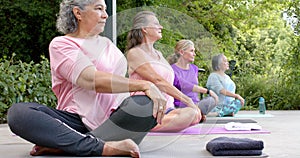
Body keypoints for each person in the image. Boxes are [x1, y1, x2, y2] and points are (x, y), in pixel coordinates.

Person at [7, 1, 167, 157]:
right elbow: (90, 80)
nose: (105, 15)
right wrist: (145, 85)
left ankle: (70, 146)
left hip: (114, 120)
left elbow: (119, 85)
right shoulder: (62, 44)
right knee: (18, 113)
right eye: (99, 9)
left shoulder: (108, 45)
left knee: (148, 104)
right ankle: (99, 146)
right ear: (78, 13)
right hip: (74, 122)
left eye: (105, 9)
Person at [126, 11, 203, 132]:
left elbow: (170, 82)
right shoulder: (135, 53)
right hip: (147, 108)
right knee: (191, 112)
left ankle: (154, 123)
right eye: (156, 24)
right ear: (144, 28)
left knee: (193, 114)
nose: (161, 26)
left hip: (167, 109)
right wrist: (188, 101)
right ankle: (142, 124)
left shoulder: (159, 55)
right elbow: (158, 81)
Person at [168, 39, 219, 118]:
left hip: (196, 104)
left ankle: (198, 113)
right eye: (191, 51)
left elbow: (194, 88)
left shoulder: (194, 68)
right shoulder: (172, 69)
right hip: (180, 106)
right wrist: (208, 91)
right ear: (182, 52)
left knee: (211, 101)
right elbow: (185, 85)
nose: (194, 54)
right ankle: (197, 114)